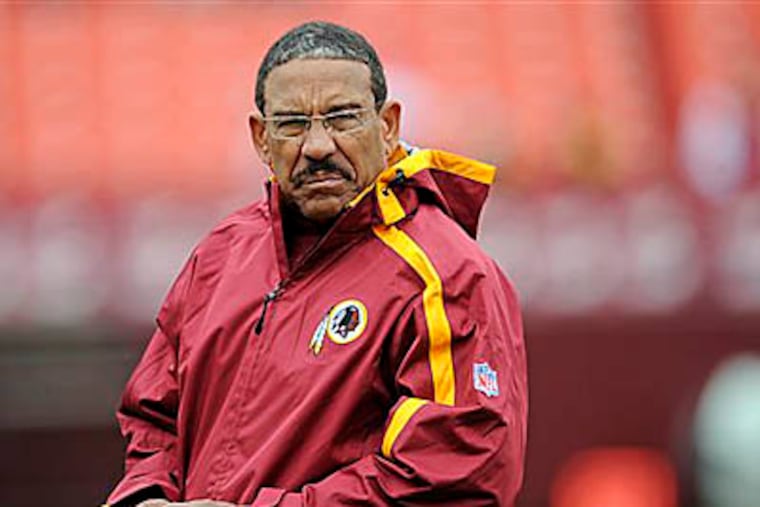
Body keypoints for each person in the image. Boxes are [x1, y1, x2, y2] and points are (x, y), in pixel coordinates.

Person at [106, 21, 528, 507]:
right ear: (260, 138)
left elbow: (458, 478)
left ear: (387, 125)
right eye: (292, 124)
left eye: (343, 117)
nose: (319, 146)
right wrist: (145, 496)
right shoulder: (220, 254)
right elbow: (154, 418)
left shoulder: (446, 276)